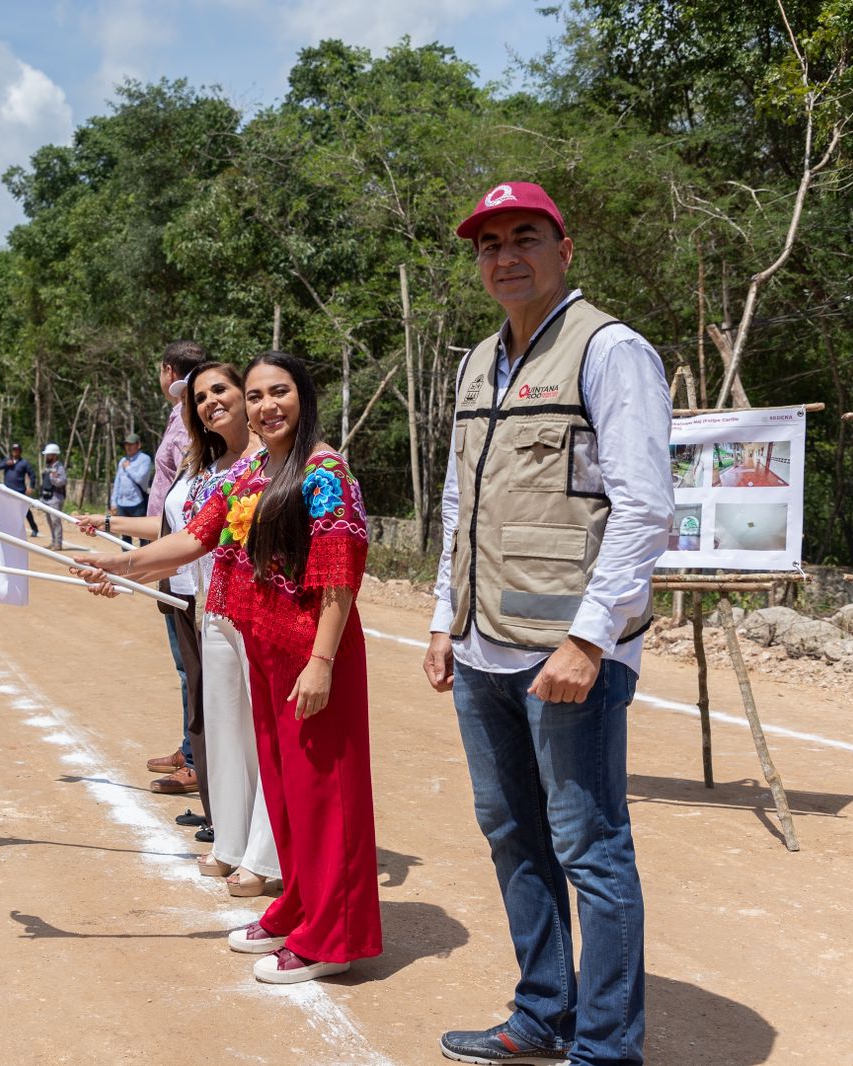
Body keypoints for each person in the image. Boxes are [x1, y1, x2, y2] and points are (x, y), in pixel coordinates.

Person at [423, 182, 672, 1066]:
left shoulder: (609, 350)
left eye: (525, 237)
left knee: (591, 849)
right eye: (489, 245)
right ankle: (542, 1013)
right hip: (483, 644)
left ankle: (606, 1048)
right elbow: (461, 498)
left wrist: (588, 639)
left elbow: (646, 510)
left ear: (564, 250)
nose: (505, 257)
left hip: (568, 655)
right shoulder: (474, 362)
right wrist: (442, 617)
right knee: (512, 835)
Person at [74, 351, 380, 985]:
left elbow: (338, 576)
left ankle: (334, 937)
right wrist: (117, 567)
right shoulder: (250, 473)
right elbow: (194, 541)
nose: (268, 406)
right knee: (287, 789)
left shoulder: (324, 472)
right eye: (261, 394)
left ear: (304, 396)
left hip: (311, 654)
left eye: (280, 393)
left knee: (326, 795)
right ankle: (298, 904)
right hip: (265, 648)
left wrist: (321, 662)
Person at [82, 361, 280, 895]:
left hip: (265, 612)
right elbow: (189, 543)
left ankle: (267, 853)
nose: (211, 402)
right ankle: (233, 843)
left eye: (221, 390)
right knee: (222, 731)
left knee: (264, 737)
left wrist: (122, 566)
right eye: (200, 397)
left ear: (246, 395)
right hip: (210, 607)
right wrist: (123, 573)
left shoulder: (274, 459)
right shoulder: (208, 468)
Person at [143, 339, 209, 795]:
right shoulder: (178, 416)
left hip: (183, 554)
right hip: (169, 547)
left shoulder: (189, 420)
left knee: (194, 666)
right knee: (186, 663)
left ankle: (198, 758)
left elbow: (191, 488)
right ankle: (190, 747)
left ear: (169, 371)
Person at [108, 432, 154, 546]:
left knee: (143, 534)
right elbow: (117, 482)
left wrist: (128, 468)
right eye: (126, 444)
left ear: (138, 445)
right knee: (124, 534)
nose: (128, 447)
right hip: (122, 503)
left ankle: (144, 560)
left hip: (137, 502)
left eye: (131, 444)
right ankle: (126, 559)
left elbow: (140, 478)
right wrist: (113, 502)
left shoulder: (145, 459)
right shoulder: (123, 460)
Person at [0, 443, 40, 537]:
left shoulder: (24, 463)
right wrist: (5, 464)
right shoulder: (7, 460)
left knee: (26, 511)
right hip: (7, 491)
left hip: (20, 491)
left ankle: (34, 529)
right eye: (13, 450)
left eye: (17, 450)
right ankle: (8, 529)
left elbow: (32, 475)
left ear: (20, 451)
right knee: (7, 510)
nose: (15, 451)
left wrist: (31, 487)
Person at [38, 443, 67, 549]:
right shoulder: (48, 466)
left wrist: (53, 478)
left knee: (55, 521)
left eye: (48, 455)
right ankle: (54, 541)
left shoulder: (59, 468)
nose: (47, 457)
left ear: (54, 455)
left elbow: (62, 481)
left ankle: (58, 543)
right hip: (47, 497)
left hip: (56, 497)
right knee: (50, 520)